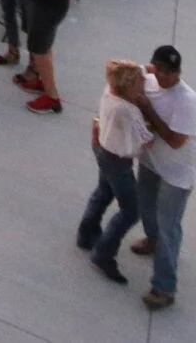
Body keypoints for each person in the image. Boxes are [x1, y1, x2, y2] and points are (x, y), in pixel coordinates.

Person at [123, 44, 196, 311]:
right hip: (151, 162)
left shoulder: (187, 100)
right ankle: (152, 240)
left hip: (177, 173)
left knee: (170, 225)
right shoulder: (149, 78)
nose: (168, 77)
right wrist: (137, 71)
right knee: (146, 207)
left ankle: (164, 287)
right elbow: (130, 73)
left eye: (173, 72)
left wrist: (147, 110)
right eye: (163, 71)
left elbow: (175, 141)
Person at [78, 59, 145, 283]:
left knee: (103, 192)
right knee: (132, 210)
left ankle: (86, 235)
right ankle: (104, 255)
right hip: (118, 161)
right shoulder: (126, 110)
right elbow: (143, 141)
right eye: (139, 84)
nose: (143, 86)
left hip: (102, 148)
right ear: (128, 87)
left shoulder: (109, 91)